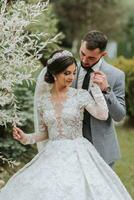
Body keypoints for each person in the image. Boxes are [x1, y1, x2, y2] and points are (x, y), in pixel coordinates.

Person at [0, 50, 132, 200]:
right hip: (52, 154)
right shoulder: (43, 101)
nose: (71, 77)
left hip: (79, 153)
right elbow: (45, 133)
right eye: (66, 73)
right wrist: (25, 138)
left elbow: (103, 115)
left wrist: (97, 89)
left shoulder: (80, 95)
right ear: (55, 74)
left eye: (74, 73)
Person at [35, 30, 126, 167]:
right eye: (82, 53)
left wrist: (107, 89)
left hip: (101, 149)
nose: (84, 60)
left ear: (103, 54)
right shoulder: (68, 70)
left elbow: (119, 116)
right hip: (71, 149)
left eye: (91, 58)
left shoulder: (116, 75)